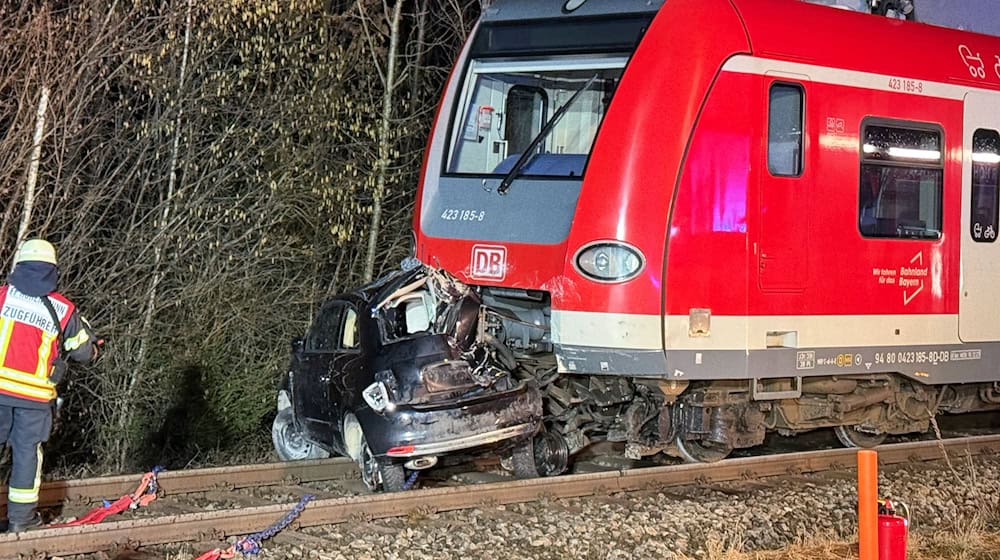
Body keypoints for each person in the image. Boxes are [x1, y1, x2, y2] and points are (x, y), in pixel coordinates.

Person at [0, 239, 96, 532]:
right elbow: (83, 352)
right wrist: (92, 342)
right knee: (27, 454)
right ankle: (20, 521)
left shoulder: (2, 297)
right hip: (35, 399)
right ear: (53, 270)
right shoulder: (63, 309)